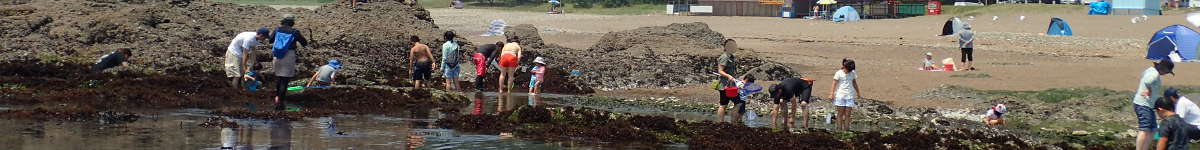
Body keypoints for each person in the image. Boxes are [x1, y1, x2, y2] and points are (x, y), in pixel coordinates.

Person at [269, 14, 310, 108]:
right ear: (292, 22)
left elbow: (270, 41)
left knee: (279, 77)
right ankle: (281, 101)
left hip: (277, 55)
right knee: (285, 79)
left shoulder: (277, 29)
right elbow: (304, 43)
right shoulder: (295, 32)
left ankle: (277, 97)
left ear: (283, 21)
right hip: (289, 55)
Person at [1133, 59, 1174, 150]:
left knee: (1153, 129)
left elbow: (1144, 78)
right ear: (1163, 69)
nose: (1166, 73)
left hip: (1148, 105)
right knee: (1145, 129)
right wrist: (1149, 89)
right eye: (1167, 72)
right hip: (1143, 104)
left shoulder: (1150, 70)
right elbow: (1147, 81)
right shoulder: (1154, 74)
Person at [716, 39, 746, 123]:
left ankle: (723, 122)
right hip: (725, 85)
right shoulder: (724, 57)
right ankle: (731, 122)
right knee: (735, 103)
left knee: (725, 104)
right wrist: (729, 76)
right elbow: (720, 71)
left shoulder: (731, 57)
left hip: (731, 86)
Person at [829, 58, 862, 131]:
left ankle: (846, 129)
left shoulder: (853, 73)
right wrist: (831, 93)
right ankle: (839, 129)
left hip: (850, 96)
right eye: (848, 70)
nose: (849, 71)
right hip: (840, 96)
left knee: (848, 114)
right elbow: (834, 83)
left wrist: (858, 92)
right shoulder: (839, 73)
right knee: (840, 114)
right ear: (844, 67)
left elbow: (854, 83)